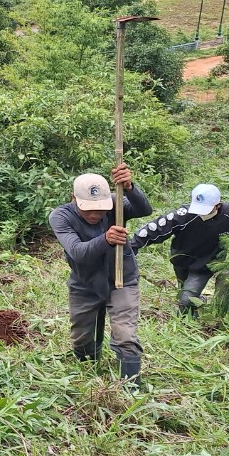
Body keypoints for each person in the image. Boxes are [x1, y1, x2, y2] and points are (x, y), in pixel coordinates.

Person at [49, 166, 152, 388]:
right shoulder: (60, 216)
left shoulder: (116, 203)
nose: (95, 214)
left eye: (101, 209)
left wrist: (130, 188)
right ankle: (87, 375)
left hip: (122, 279)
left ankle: (131, 387)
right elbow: (77, 252)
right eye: (88, 209)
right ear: (73, 199)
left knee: (125, 334)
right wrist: (106, 239)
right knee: (82, 338)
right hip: (85, 284)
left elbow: (144, 210)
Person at [131, 183, 229, 314]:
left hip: (206, 264)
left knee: (186, 300)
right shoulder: (184, 214)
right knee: (183, 291)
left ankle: (187, 316)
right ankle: (195, 304)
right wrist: (132, 245)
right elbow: (156, 228)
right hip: (180, 259)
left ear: (217, 205)